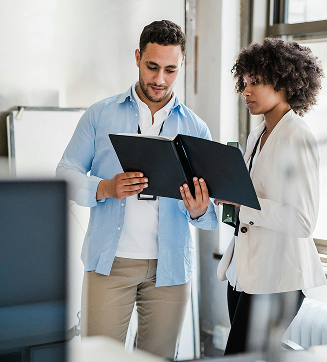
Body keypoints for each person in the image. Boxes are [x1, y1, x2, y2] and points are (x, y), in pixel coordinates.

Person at [56, 20, 217, 359]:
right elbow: (65, 173)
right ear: (137, 58)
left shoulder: (196, 128)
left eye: (170, 70)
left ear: (182, 65)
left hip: (170, 269)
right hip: (109, 265)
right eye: (152, 66)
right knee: (98, 357)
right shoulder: (100, 114)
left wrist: (199, 208)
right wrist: (104, 187)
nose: (160, 79)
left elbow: (208, 214)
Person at [215, 37, 327, 355]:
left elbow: (303, 221)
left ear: (285, 83)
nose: (246, 91)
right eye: (245, 81)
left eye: (257, 82)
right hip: (245, 273)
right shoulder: (257, 134)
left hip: (278, 280)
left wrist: (244, 203)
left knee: (238, 357)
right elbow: (251, 198)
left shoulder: (298, 137)